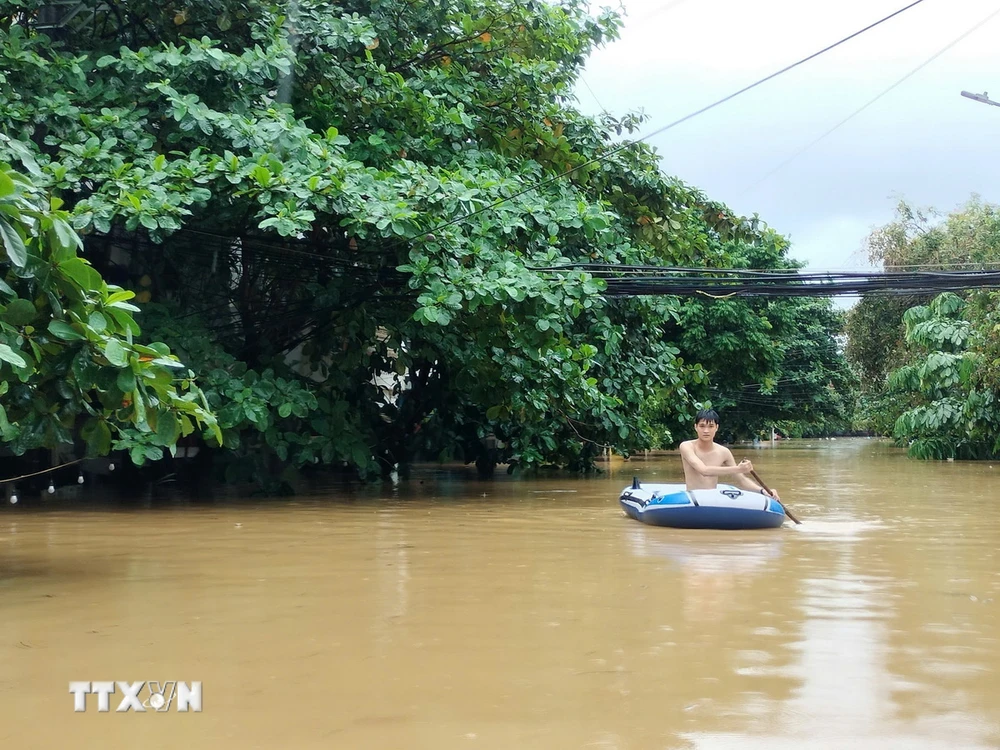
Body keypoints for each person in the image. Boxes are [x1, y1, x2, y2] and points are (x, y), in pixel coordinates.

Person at [679, 408, 781, 501]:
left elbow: (741, 479)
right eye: (702, 426)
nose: (706, 431)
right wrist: (738, 468)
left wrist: (763, 491)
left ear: (717, 428)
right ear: (695, 427)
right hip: (692, 499)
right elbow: (704, 470)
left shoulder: (724, 452)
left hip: (712, 499)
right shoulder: (686, 446)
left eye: (711, 426)